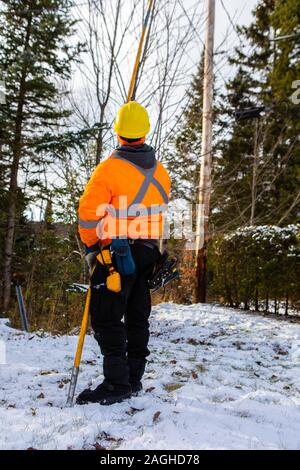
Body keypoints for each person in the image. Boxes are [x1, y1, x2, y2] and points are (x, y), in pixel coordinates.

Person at [76, 101, 171, 405]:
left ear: (117, 132)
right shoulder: (162, 173)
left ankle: (117, 384)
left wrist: (91, 248)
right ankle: (133, 379)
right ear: (145, 131)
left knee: (105, 317)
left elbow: (88, 216)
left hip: (115, 254)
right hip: (147, 254)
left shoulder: (108, 170)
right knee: (136, 316)